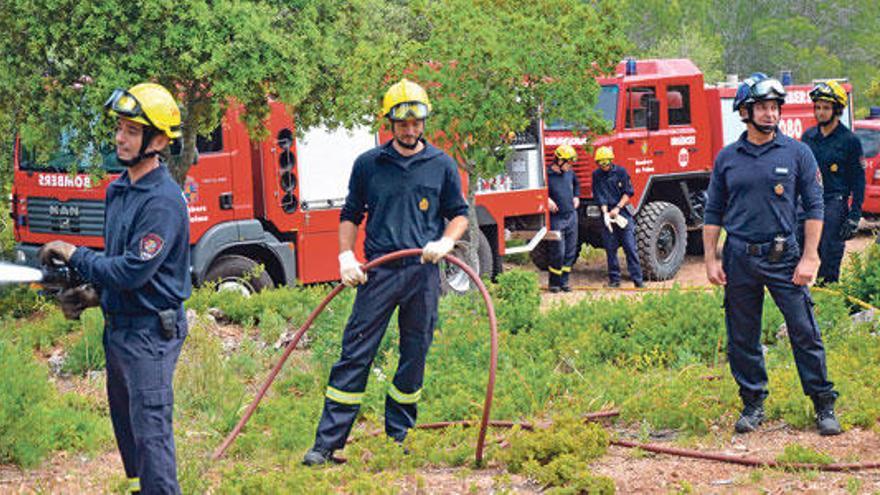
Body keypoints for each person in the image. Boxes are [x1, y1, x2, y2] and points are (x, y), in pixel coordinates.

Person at [302, 78, 469, 466]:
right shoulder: (369, 165)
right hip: (378, 273)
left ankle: (400, 436)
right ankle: (325, 445)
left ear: (424, 122)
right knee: (355, 354)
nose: (410, 130)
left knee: (415, 354)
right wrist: (345, 256)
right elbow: (350, 214)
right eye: (402, 123)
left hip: (422, 273)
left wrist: (446, 241)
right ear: (389, 123)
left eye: (416, 123)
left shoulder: (441, 165)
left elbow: (458, 214)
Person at [39, 83, 191, 493]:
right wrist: (93, 295)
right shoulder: (119, 190)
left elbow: (130, 272)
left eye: (131, 130)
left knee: (152, 435)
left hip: (150, 334)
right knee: (132, 435)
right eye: (119, 128)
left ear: (158, 140)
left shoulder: (162, 200)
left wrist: (74, 253)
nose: (120, 138)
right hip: (120, 327)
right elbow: (116, 268)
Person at [703, 74, 841, 436]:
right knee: (742, 337)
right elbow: (713, 210)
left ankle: (823, 405)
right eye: (762, 107)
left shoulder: (798, 153)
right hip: (739, 259)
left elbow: (815, 206)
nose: (770, 114)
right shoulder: (727, 158)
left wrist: (810, 257)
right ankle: (752, 404)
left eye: (774, 107)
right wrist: (710, 258)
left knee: (805, 331)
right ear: (746, 112)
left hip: (784, 257)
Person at [801, 80, 866, 283]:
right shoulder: (808, 137)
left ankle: (829, 298)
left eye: (826, 108)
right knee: (798, 248)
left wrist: (854, 215)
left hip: (834, 202)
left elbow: (859, 180)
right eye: (818, 107)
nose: (820, 112)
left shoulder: (849, 141)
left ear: (836, 110)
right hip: (808, 201)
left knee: (830, 254)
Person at [591, 146, 644, 288]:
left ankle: (638, 280)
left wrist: (617, 208)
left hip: (622, 212)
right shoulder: (596, 175)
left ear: (611, 161)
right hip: (607, 213)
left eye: (606, 163)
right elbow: (599, 195)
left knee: (630, 247)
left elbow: (628, 193)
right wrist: (605, 214)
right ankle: (614, 280)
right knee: (610, 248)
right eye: (601, 164)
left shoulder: (621, 172)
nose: (604, 167)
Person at [546, 144, 580, 292]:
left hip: (571, 216)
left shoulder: (570, 173)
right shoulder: (546, 175)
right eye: (568, 162)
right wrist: (546, 199)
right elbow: (539, 192)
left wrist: (576, 196)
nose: (570, 166)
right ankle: (554, 283)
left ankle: (564, 282)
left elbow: (576, 184)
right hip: (557, 219)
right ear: (559, 160)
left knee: (570, 252)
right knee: (557, 252)